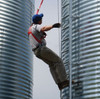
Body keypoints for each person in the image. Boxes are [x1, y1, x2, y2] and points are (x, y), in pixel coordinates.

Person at [28, 13, 70, 90]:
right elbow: (44, 28)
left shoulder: (31, 28)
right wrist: (53, 26)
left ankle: (59, 84)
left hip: (36, 52)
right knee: (58, 60)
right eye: (41, 18)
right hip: (41, 49)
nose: (42, 20)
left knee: (52, 64)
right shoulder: (36, 26)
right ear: (39, 20)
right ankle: (64, 81)